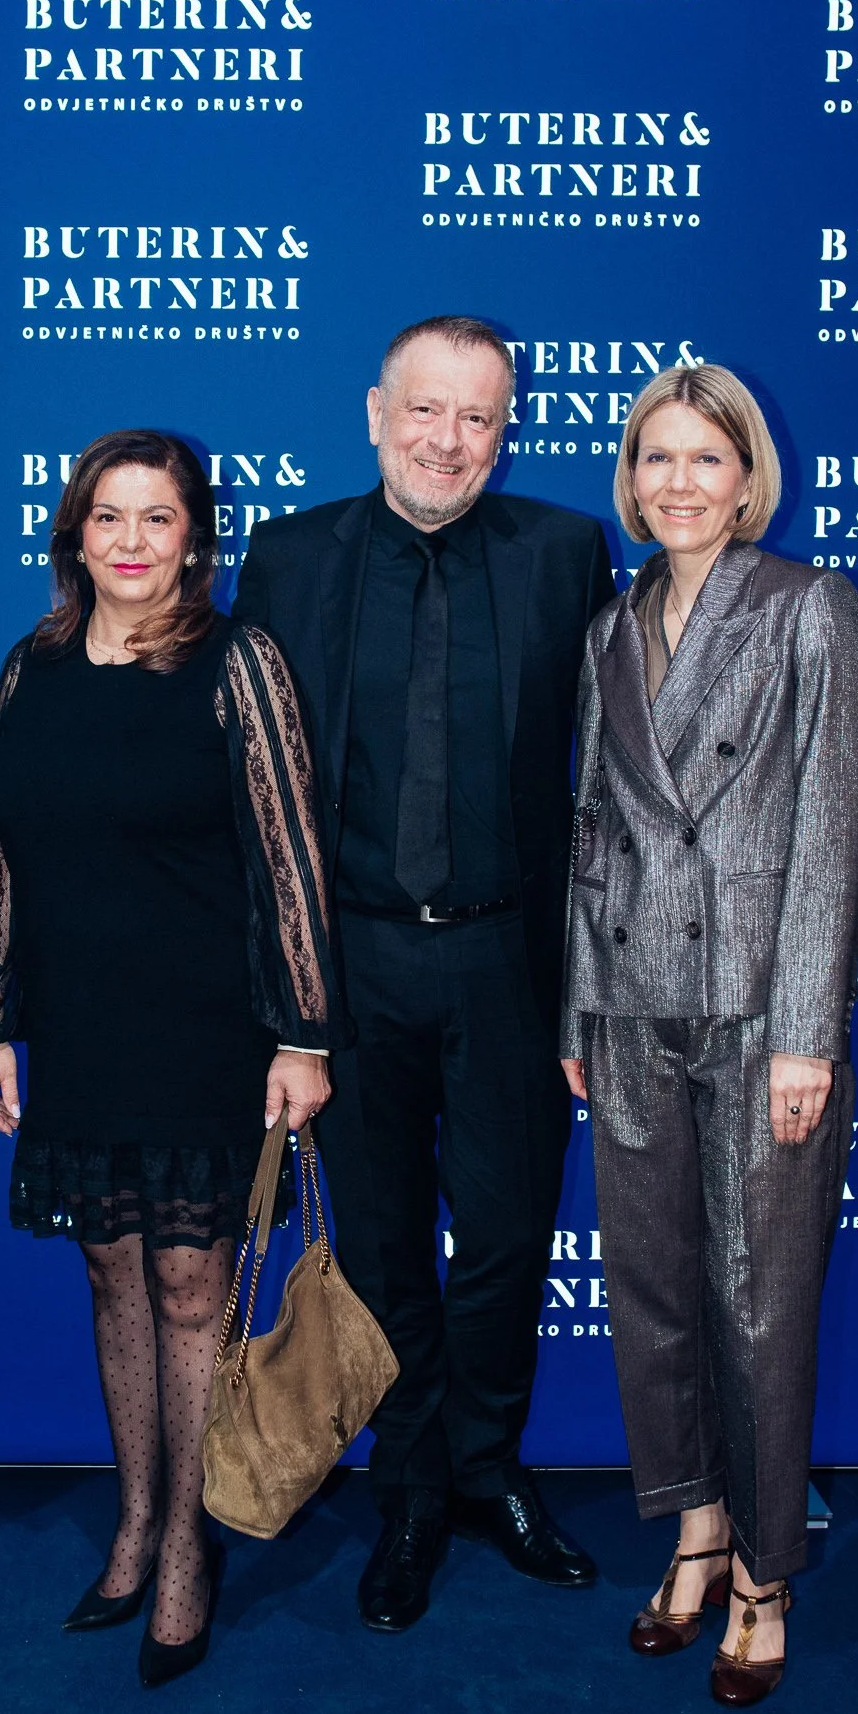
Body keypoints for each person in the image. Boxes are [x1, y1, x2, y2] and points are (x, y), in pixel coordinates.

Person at [0, 429, 347, 1688]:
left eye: (155, 518)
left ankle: (184, 1543)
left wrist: (300, 1031)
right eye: (106, 517)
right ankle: (129, 1515)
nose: (129, 539)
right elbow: (2, 845)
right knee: (115, 1281)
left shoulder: (240, 663)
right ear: (75, 535)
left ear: (193, 537)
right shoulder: (33, 664)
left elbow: (289, 856)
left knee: (189, 1289)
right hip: (78, 1026)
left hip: (205, 1028)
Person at [232, 317, 615, 1632]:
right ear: (375, 412)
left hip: (512, 956)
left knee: (508, 1239)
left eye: (480, 418)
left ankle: (488, 1472)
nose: (451, 441)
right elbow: (256, 792)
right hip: (354, 963)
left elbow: (608, 776)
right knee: (386, 1247)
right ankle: (407, 1491)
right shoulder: (287, 557)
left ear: (505, 431)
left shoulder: (565, 555)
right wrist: (291, 1008)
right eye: (428, 412)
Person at [559, 363, 858, 1707]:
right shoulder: (610, 627)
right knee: (653, 1289)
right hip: (629, 1008)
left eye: (703, 459)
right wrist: (579, 1001)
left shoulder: (810, 609)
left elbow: (831, 838)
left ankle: (764, 1570)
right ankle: (692, 1528)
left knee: (758, 1303)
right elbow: (590, 829)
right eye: (655, 460)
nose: (676, 483)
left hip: (759, 1012)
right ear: (629, 482)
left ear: (748, 478)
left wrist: (809, 1033)